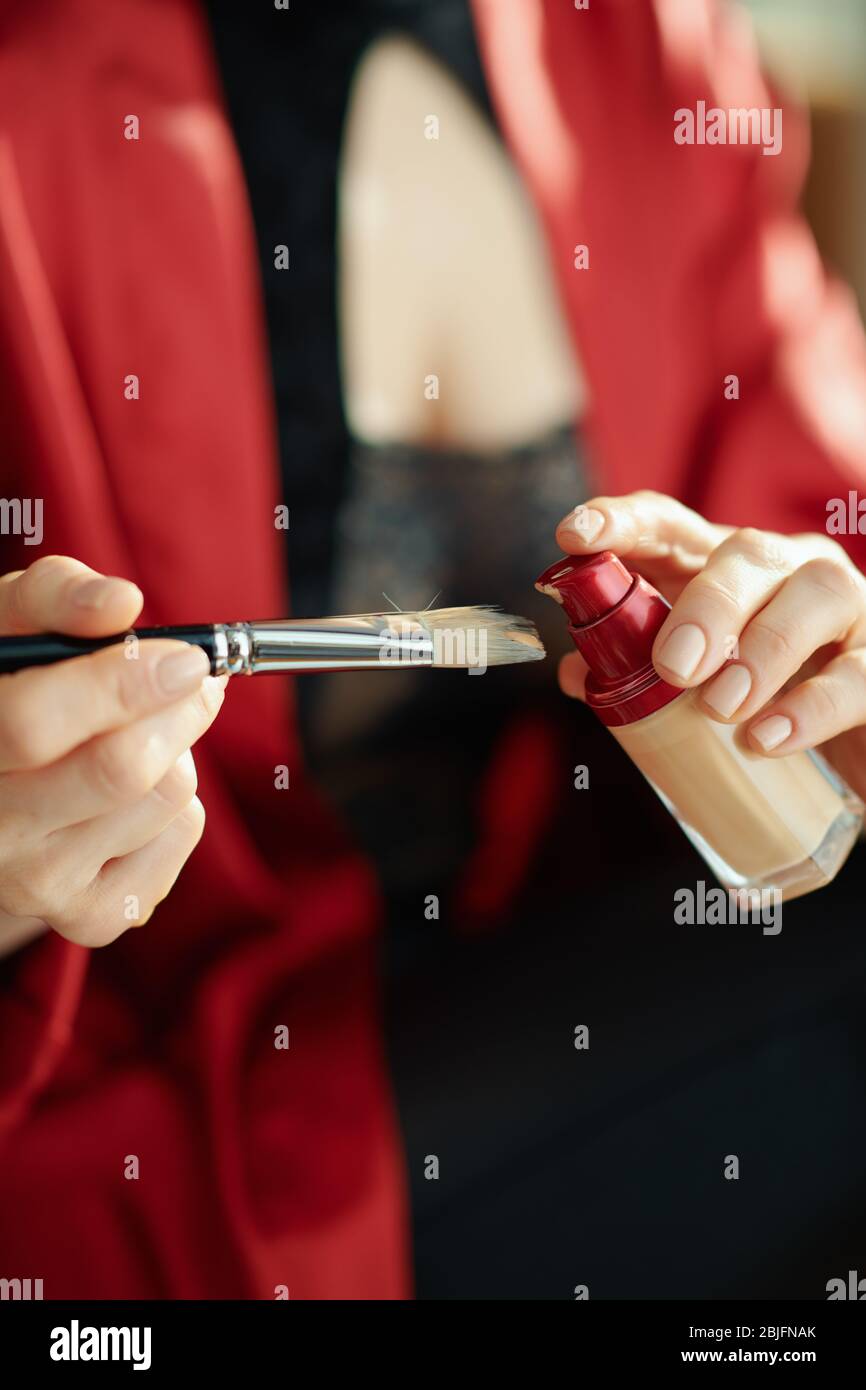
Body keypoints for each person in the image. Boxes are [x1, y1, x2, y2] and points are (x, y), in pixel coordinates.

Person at [2, 0, 866, 1300]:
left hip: (614, 974)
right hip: (185, 1123)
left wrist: (822, 651)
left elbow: (821, 498)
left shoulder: (646, 49)